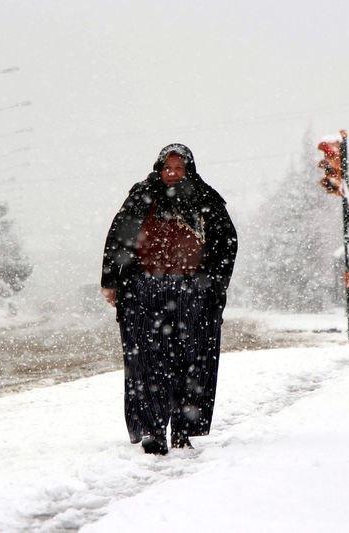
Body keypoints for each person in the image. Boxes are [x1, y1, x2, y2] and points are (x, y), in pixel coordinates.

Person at [100, 143, 238, 455]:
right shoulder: (142, 196)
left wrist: (214, 283)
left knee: (190, 361)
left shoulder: (206, 199)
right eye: (167, 168)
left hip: (193, 292)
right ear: (159, 168)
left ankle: (182, 429)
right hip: (143, 290)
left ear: (189, 170)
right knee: (146, 362)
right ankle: (151, 430)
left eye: (179, 168)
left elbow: (227, 244)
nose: (172, 174)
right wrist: (112, 281)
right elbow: (119, 238)